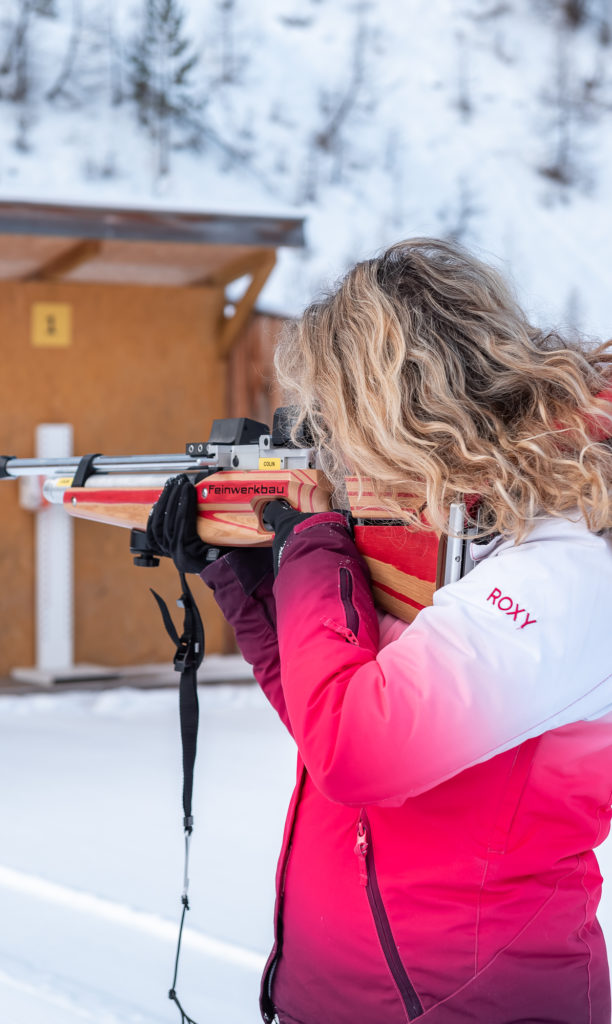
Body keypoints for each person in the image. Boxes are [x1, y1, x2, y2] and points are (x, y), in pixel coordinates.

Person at [146, 238, 612, 1024]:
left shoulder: (561, 567)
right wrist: (247, 580)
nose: (333, 446)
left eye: (338, 418)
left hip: (479, 1006)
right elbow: (325, 716)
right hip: (338, 995)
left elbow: (356, 749)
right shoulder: (453, 537)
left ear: (395, 408)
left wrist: (312, 549)